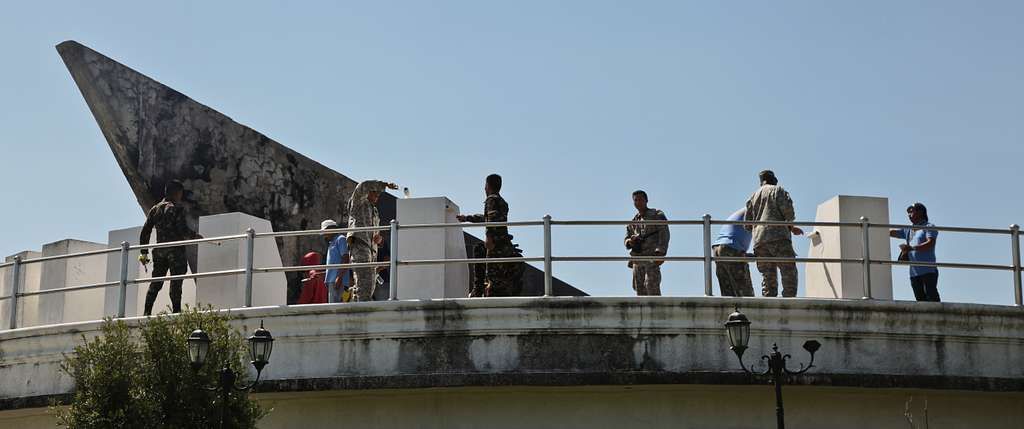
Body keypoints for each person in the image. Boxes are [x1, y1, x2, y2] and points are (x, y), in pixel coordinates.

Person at [138, 180, 202, 315]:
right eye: (180, 193)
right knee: (176, 283)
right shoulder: (176, 209)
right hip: (175, 251)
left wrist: (144, 253)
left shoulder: (154, 209)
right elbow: (182, 230)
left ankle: (146, 312)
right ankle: (176, 312)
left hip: (160, 251)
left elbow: (145, 231)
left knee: (156, 282)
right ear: (177, 193)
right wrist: (195, 236)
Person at [457, 174, 523, 297]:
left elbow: (491, 219)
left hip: (495, 245)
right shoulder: (502, 202)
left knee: (488, 267)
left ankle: (478, 290)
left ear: (487, 186)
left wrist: (489, 239)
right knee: (482, 253)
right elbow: (487, 218)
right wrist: (467, 218)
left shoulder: (491, 199)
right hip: (504, 244)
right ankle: (481, 289)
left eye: (485, 185)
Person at [744, 170, 803, 297]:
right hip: (779, 237)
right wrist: (789, 226)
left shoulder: (753, 197)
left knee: (767, 275)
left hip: (760, 241)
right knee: (788, 271)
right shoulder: (778, 190)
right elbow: (789, 214)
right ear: (773, 179)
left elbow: (747, 225)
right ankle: (789, 301)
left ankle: (769, 301)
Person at [347, 180, 398, 301]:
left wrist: (380, 240)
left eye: (378, 194)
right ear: (367, 193)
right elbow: (362, 186)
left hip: (371, 251)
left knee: (369, 282)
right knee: (365, 280)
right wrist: (384, 184)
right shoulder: (359, 202)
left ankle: (357, 304)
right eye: (374, 192)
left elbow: (378, 236)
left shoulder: (375, 212)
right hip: (360, 245)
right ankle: (361, 308)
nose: (377, 195)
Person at [889, 203, 940, 302]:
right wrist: (876, 227)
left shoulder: (929, 226)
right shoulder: (909, 230)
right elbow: (892, 233)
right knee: (920, 301)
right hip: (914, 273)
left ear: (920, 212)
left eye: (911, 211)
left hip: (928, 271)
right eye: (908, 213)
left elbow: (930, 243)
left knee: (932, 299)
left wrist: (911, 248)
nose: (909, 215)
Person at [624, 190, 670, 296]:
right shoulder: (633, 221)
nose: (638, 202)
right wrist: (631, 241)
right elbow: (626, 239)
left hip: (652, 256)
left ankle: (656, 311)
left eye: (640, 199)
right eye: (635, 200)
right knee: (639, 288)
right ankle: (642, 312)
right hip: (638, 258)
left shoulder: (656, 215)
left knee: (651, 285)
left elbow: (664, 233)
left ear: (646, 200)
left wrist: (661, 252)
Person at [712, 208, 755, 297]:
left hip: (718, 247)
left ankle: (728, 309)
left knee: (728, 292)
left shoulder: (746, 210)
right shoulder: (757, 209)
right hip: (732, 248)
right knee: (746, 294)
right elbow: (764, 232)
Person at [321, 219, 350, 303]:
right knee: (334, 307)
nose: (324, 235)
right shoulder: (332, 242)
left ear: (331, 229)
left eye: (325, 232)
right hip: (332, 281)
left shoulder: (340, 239)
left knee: (339, 308)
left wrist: (339, 277)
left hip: (339, 281)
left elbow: (345, 258)